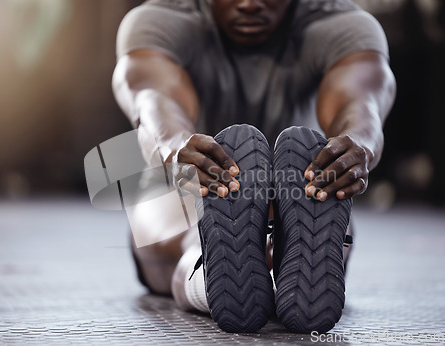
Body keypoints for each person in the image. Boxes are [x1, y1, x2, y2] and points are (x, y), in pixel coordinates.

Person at [112, 0, 396, 334]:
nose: (250, 4)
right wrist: (174, 146)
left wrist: (356, 146)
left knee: (310, 208)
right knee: (188, 222)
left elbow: (361, 101)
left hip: (298, 189)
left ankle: (218, 273)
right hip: (183, 184)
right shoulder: (162, 20)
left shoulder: (339, 23)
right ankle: (246, 261)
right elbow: (152, 98)